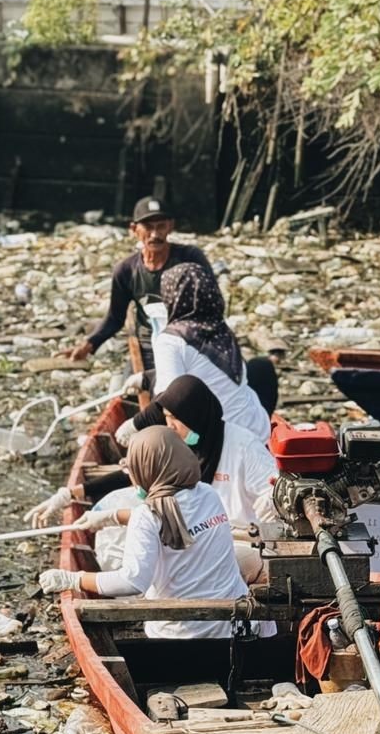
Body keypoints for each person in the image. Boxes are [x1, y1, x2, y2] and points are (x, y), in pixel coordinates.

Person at [39, 427, 266, 640]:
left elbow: (131, 582)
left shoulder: (147, 516)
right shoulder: (208, 494)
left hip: (179, 635)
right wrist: (113, 516)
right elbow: (174, 518)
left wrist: (74, 579)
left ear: (147, 469)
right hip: (233, 627)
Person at [66, 197, 217, 369]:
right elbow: (115, 318)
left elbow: (212, 307)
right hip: (149, 348)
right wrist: (89, 344)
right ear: (134, 229)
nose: (155, 235)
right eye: (148, 227)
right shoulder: (126, 271)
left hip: (189, 346)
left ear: (170, 226)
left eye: (161, 226)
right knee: (121, 390)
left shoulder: (189, 259)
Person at [118, 375, 278, 530]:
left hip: (242, 536)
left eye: (175, 417)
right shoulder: (177, 447)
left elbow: (273, 487)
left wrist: (271, 500)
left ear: (194, 416)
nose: (170, 425)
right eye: (167, 417)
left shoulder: (243, 445)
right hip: (197, 534)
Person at [153, 262, 270, 443]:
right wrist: (146, 378)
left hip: (219, 445)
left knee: (147, 441)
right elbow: (202, 369)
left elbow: (169, 403)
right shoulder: (221, 329)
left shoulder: (170, 341)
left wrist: (136, 425)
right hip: (259, 433)